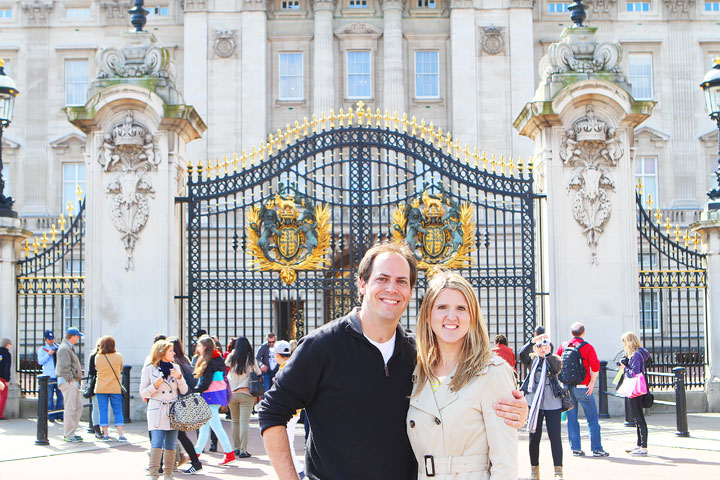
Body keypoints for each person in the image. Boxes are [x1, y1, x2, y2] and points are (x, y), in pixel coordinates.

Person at [259, 242, 528, 480]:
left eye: (401, 281)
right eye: (382, 279)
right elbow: (272, 412)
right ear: (363, 284)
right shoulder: (322, 345)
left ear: (411, 292)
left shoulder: (416, 356)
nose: (392, 288)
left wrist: (515, 411)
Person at [408, 271, 518, 479]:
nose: (452, 317)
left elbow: (505, 462)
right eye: (442, 307)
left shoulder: (492, 372)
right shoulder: (418, 371)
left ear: (472, 316)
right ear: (428, 314)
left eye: (461, 308)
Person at [557, 322, 609, 457]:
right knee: (592, 418)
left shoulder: (564, 346)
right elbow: (596, 366)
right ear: (583, 332)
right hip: (583, 387)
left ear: (571, 333)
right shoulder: (587, 347)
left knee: (572, 419)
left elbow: (556, 363)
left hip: (567, 386)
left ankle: (576, 449)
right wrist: (591, 383)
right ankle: (597, 449)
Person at [140, 339, 188, 480]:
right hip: (157, 409)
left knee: (171, 443)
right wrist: (155, 385)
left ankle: (168, 474)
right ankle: (153, 474)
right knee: (156, 442)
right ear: (162, 352)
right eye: (170, 351)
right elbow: (143, 393)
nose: (174, 353)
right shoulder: (149, 369)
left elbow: (184, 390)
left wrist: (179, 377)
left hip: (173, 410)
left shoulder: (176, 368)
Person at [521, 334, 565, 480]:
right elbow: (522, 354)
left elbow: (556, 368)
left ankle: (558, 472)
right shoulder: (532, 361)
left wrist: (548, 354)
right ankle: (535, 471)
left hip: (552, 403)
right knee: (534, 437)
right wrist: (532, 341)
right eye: (539, 346)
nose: (541, 348)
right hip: (535, 404)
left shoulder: (555, 360)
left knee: (555, 437)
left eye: (544, 345)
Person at [193, 335, 236, 466]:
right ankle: (195, 453)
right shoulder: (217, 359)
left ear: (205, 347)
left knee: (215, 426)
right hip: (216, 395)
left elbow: (205, 383)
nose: (197, 348)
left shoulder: (209, 361)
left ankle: (229, 452)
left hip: (210, 396)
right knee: (205, 427)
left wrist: (195, 390)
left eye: (199, 345)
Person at [166, 337, 203, 475]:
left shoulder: (175, 364)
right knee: (178, 435)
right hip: (184, 400)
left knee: (179, 435)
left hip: (176, 402)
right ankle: (183, 459)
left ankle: (192, 462)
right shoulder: (185, 359)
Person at [226, 336, 262, 459]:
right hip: (246, 393)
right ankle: (243, 450)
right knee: (244, 422)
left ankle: (236, 448)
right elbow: (258, 372)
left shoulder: (231, 357)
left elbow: (226, 364)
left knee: (235, 422)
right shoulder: (250, 358)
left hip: (232, 393)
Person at [620, 331, 651, 456]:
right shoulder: (639, 354)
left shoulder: (636, 355)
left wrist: (624, 368)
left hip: (635, 388)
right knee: (638, 418)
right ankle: (639, 445)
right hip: (638, 388)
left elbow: (634, 373)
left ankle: (643, 447)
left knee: (639, 418)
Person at [94, 335, 126, 441]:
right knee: (118, 410)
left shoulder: (98, 357)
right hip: (115, 387)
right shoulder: (118, 356)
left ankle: (106, 434)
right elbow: (120, 369)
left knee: (103, 411)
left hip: (101, 387)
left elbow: (96, 369)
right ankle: (121, 434)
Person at [56, 327, 84, 442]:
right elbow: (64, 366)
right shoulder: (64, 348)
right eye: (77, 336)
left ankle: (72, 432)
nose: (78, 338)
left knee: (78, 406)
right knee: (70, 408)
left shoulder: (68, 347)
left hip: (71, 381)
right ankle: (69, 434)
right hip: (68, 381)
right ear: (72, 336)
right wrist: (70, 380)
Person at [37, 330, 63, 422]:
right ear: (45, 339)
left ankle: (60, 414)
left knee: (61, 396)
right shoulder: (42, 349)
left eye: (52, 339)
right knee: (49, 397)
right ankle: (51, 416)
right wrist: (48, 354)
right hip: (49, 375)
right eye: (49, 339)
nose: (51, 341)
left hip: (58, 375)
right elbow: (40, 362)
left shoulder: (57, 347)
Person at [87, 339, 103, 439]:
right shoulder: (93, 356)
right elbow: (91, 371)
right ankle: (97, 429)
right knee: (96, 408)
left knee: (104, 409)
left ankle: (103, 428)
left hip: (106, 385)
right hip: (95, 385)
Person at [0, 338, 12, 420]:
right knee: (3, 397)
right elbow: (7, 367)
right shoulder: (7, 354)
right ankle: (0, 414)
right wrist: (7, 379)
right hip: (3, 378)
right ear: (7, 345)